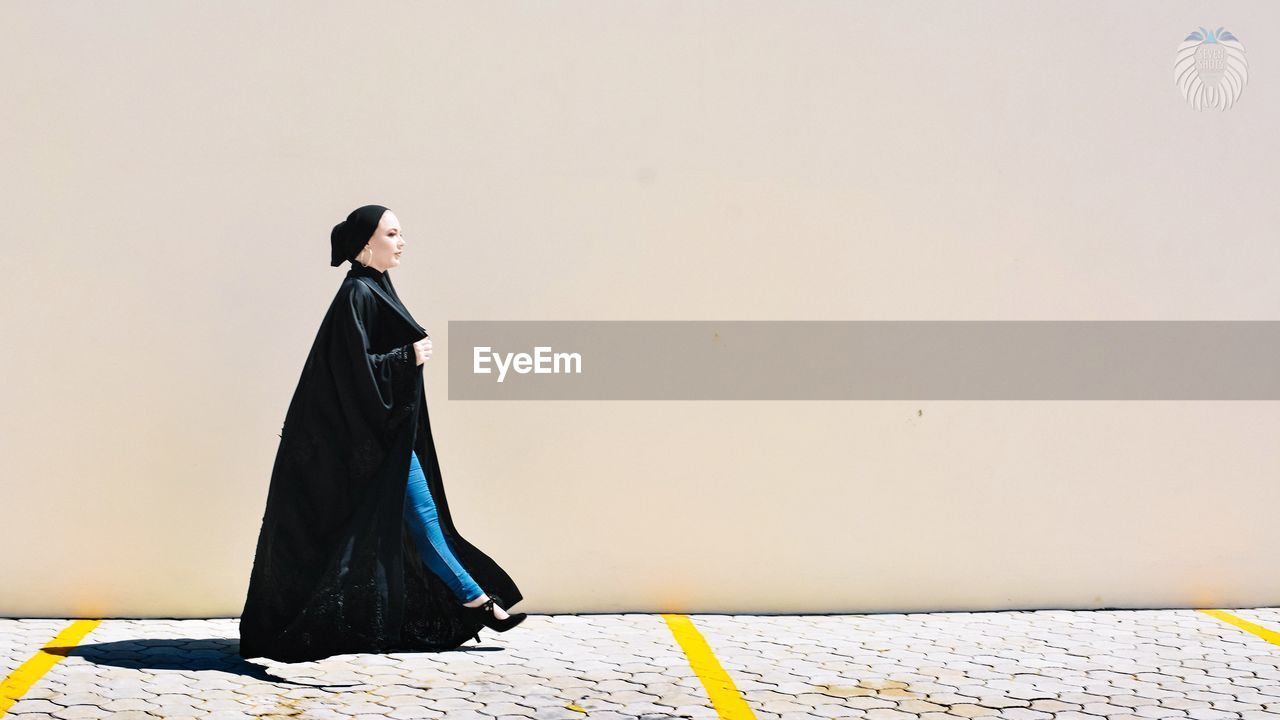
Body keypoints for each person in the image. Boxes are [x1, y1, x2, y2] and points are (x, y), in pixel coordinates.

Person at [239, 204, 525, 663]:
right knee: (414, 520)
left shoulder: (374, 288)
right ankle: (476, 601)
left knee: (420, 520)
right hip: (365, 442)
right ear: (365, 244)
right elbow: (348, 373)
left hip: (382, 436)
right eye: (392, 234)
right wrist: (406, 357)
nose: (401, 241)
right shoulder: (357, 294)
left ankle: (475, 600)